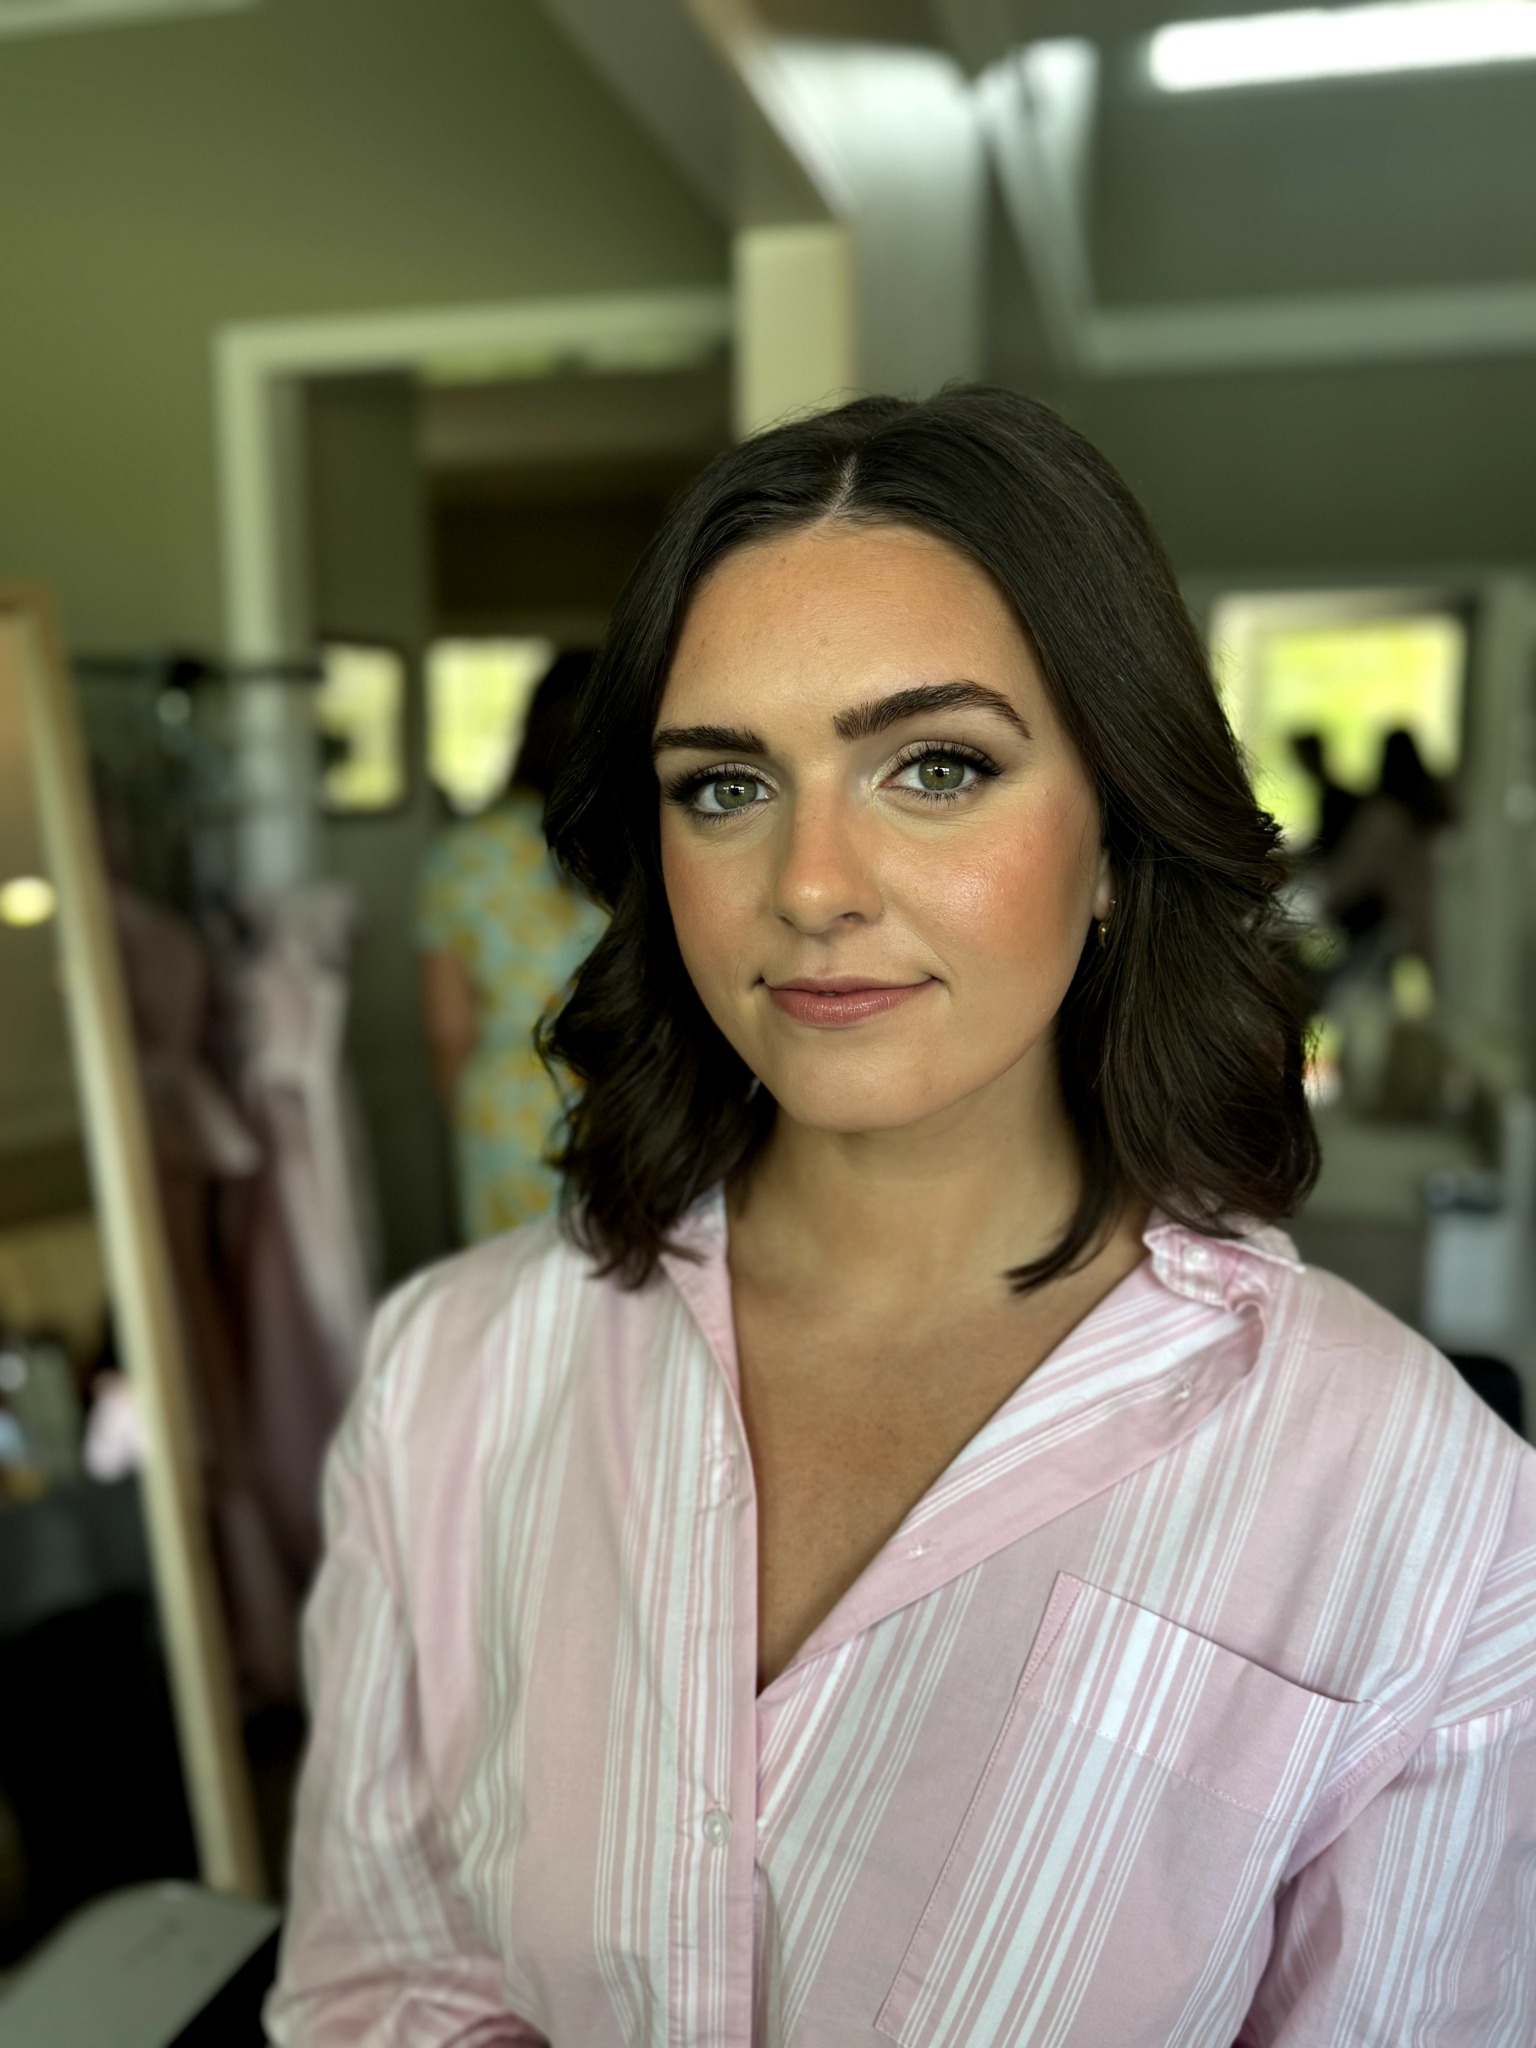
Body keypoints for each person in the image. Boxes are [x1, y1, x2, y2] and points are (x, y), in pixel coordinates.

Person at [268, 393, 1536, 2046]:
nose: (811, 884)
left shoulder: (1423, 1510)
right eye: (725, 784)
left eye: (937, 767)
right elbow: (383, 1987)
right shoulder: (457, 1375)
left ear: (1116, 834)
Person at [416, 652, 607, 1240]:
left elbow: (449, 1033)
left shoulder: (463, 854)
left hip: (505, 1114)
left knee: (514, 1289)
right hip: (635, 1097)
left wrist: (478, 1121)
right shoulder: (641, 834)